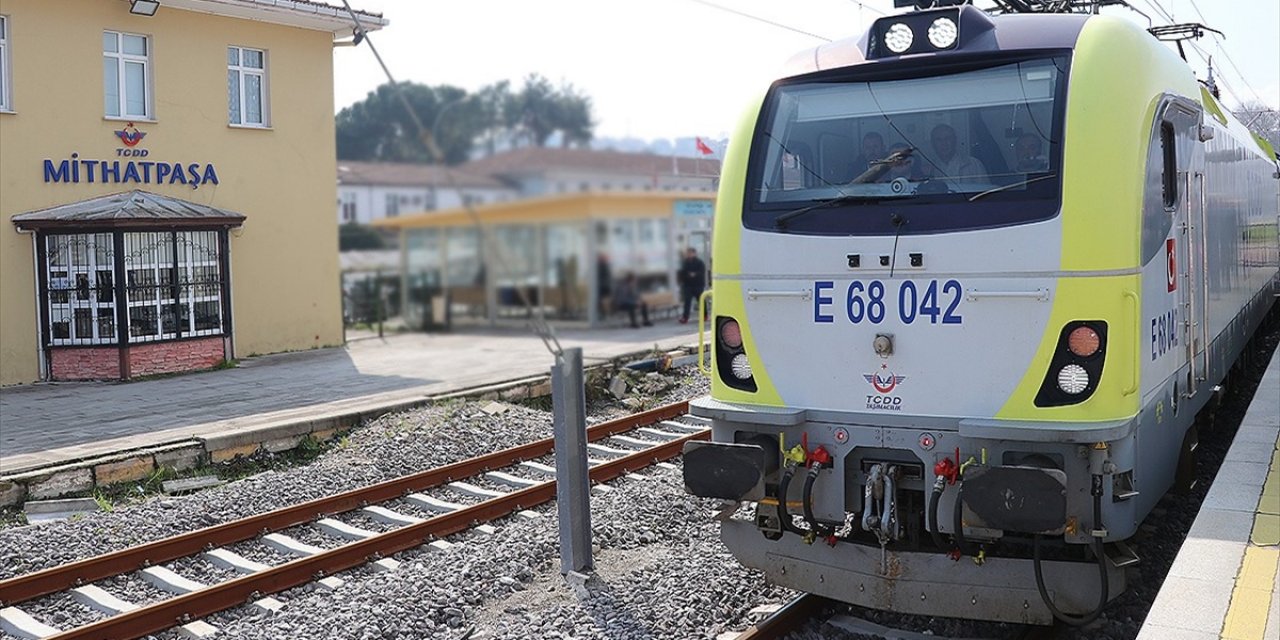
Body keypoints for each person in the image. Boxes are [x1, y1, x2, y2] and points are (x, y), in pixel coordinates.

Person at [678, 247, 707, 324]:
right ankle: (685, 318)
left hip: (698, 285)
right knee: (687, 302)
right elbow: (682, 273)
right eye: (688, 253)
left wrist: (695, 274)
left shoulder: (699, 262)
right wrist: (686, 277)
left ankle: (704, 315)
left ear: (694, 253)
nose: (689, 254)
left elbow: (702, 272)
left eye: (690, 253)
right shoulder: (685, 263)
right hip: (688, 285)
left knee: (701, 301)